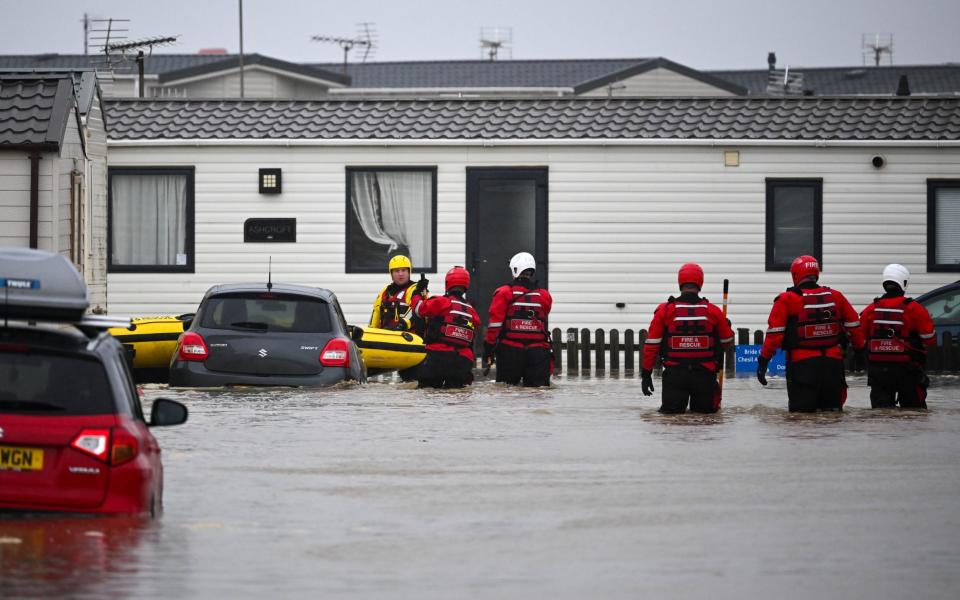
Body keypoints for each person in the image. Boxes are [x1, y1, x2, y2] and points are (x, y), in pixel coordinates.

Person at [757, 255, 865, 412]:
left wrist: (763, 361)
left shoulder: (787, 299)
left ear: (795, 275)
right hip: (833, 366)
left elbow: (775, 335)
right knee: (832, 416)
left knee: (802, 420)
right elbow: (854, 325)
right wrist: (860, 352)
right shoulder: (836, 296)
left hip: (802, 368)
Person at [641, 263, 735, 414]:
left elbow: (651, 345)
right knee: (705, 421)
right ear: (700, 283)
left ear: (680, 282)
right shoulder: (713, 311)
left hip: (674, 375)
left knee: (671, 420)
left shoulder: (665, 310)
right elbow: (727, 342)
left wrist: (646, 374)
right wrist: (726, 326)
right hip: (705, 375)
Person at [860, 264, 936, 409]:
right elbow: (929, 339)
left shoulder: (871, 309)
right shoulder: (914, 308)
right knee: (914, 413)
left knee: (881, 415)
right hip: (908, 369)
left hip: (878, 371)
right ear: (904, 283)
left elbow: (859, 337)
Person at [483, 252, 554, 387]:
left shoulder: (504, 293)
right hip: (538, 354)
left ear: (514, 269)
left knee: (507, 394)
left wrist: (489, 348)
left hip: (510, 352)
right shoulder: (544, 295)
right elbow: (544, 314)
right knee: (537, 394)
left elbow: (495, 325)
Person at [414, 266, 481, 389]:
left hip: (438, 357)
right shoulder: (472, 312)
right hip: (463, 361)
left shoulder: (441, 302)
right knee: (455, 397)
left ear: (447, 283)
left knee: (428, 393)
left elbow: (418, 309)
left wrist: (417, 293)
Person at [369, 254, 428, 336]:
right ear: (391, 274)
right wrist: (371, 332)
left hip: (408, 338)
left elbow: (416, 309)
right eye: (397, 271)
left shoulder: (415, 289)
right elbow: (376, 314)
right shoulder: (384, 292)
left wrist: (402, 325)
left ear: (409, 272)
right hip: (385, 337)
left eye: (403, 270)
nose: (400, 274)